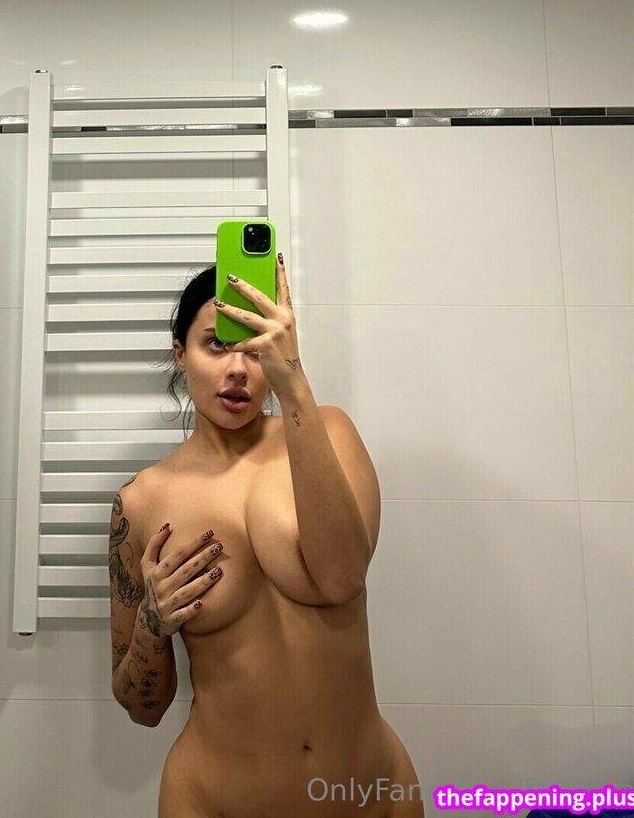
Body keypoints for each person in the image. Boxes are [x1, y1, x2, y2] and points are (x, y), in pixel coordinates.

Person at [109, 252, 424, 817]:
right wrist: (152, 624)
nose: (238, 369)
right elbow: (142, 708)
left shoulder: (329, 432)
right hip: (212, 801)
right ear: (180, 354)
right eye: (216, 344)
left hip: (369, 796)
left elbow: (341, 579)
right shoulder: (141, 502)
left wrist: (294, 381)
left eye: (254, 348)